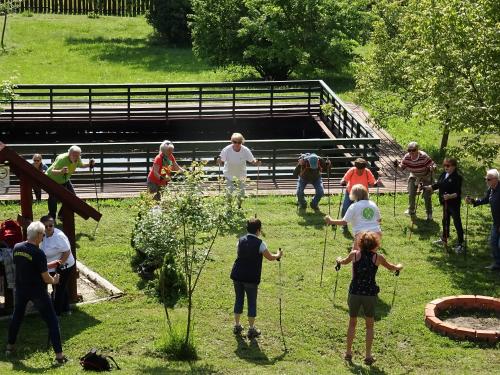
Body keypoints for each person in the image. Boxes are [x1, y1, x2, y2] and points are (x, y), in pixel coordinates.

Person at [335, 231, 403, 366]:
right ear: (375, 244)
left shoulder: (354, 254)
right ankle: (368, 355)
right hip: (370, 294)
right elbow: (392, 268)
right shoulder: (378, 257)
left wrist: (338, 259)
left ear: (360, 243)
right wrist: (399, 266)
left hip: (354, 292)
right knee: (369, 325)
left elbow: (342, 262)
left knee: (352, 322)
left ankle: (348, 353)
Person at [6, 221, 67, 364]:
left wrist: (46, 266)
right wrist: (55, 280)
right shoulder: (38, 253)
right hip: (37, 292)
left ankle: (9, 348)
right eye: (43, 235)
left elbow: (26, 265)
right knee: (52, 320)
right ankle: (59, 356)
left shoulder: (17, 248)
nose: (43, 238)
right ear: (38, 235)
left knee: (17, 316)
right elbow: (46, 278)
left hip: (21, 289)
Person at [230, 218, 283, 338]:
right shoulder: (260, 244)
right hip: (251, 278)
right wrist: (279, 255)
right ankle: (251, 329)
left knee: (239, 299)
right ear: (258, 230)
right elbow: (270, 257)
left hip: (237, 275)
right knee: (251, 302)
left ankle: (237, 325)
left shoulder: (240, 240)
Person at [424, 158, 464, 253]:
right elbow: (439, 184)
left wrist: (450, 196)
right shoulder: (443, 174)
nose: (446, 167)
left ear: (454, 166)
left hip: (453, 204)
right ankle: (444, 238)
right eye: (444, 165)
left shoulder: (457, 177)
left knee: (457, 223)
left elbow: (457, 193)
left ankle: (460, 244)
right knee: (445, 221)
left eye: (448, 166)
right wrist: (429, 187)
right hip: (444, 203)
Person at [46, 145, 95, 221]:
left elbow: (81, 165)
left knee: (72, 197)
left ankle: (61, 215)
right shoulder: (62, 159)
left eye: (78, 155)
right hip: (52, 179)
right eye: (74, 155)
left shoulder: (78, 158)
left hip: (64, 180)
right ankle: (52, 216)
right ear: (69, 153)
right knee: (53, 198)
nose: (76, 157)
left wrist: (89, 164)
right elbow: (52, 171)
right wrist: (61, 171)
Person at [325, 184, 382, 249]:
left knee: (355, 254)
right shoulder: (373, 204)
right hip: (376, 234)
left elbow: (344, 222)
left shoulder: (354, 206)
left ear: (354, 195)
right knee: (372, 255)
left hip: (361, 235)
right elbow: (379, 220)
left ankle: (346, 259)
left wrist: (331, 221)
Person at [40, 215, 75, 316]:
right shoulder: (43, 235)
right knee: (61, 287)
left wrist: (59, 265)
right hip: (52, 265)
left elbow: (67, 251)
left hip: (65, 265)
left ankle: (56, 313)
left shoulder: (59, 237)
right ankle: (66, 309)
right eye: (46, 226)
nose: (48, 228)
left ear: (54, 225)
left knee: (58, 289)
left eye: (51, 225)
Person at [466, 169, 500, 271]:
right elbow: (485, 199)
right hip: (496, 222)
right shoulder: (492, 189)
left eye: (488, 179)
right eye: (486, 179)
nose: (486, 181)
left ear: (496, 179)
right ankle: (497, 264)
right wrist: (473, 201)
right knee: (493, 242)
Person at [395, 142, 436, 220]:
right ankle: (411, 210)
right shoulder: (407, 157)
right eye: (409, 150)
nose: (411, 152)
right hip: (414, 175)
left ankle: (429, 213)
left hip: (426, 176)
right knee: (411, 193)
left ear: (418, 150)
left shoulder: (423, 156)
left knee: (427, 195)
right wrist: (396, 165)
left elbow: (433, 165)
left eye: (413, 150)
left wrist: (432, 168)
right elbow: (402, 168)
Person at [340, 158, 381, 231]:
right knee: (345, 208)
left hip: (363, 194)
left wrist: (376, 183)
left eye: (362, 169)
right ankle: (344, 225)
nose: (360, 170)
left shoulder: (367, 172)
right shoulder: (352, 170)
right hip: (351, 192)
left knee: (366, 208)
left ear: (364, 167)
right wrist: (343, 182)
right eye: (358, 168)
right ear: (356, 167)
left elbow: (372, 183)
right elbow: (344, 179)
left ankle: (366, 224)